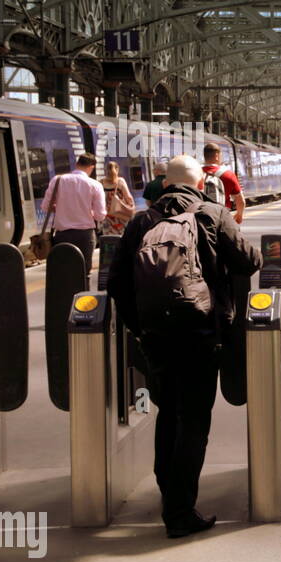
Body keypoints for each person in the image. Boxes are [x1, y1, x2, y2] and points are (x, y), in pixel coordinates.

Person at [107, 154, 262, 537]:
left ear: (163, 183)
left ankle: (169, 496)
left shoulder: (141, 222)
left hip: (157, 335)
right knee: (193, 419)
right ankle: (179, 511)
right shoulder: (211, 213)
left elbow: (117, 285)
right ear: (199, 184)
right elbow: (248, 262)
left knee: (168, 413)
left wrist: (139, 329)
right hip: (201, 331)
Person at [40, 153, 106, 285]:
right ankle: (82, 301)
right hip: (85, 235)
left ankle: (66, 301)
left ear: (77, 164)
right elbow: (100, 215)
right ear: (91, 167)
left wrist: (61, 209)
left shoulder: (57, 180)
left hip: (62, 235)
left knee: (65, 272)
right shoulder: (95, 185)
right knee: (84, 272)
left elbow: (45, 206)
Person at [201, 143, 246, 224]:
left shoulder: (195, 173)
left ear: (204, 156)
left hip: (200, 217)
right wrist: (239, 215)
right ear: (217, 156)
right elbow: (240, 200)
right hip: (222, 217)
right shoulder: (228, 174)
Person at [100, 160, 136, 236]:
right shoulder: (120, 181)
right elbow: (129, 198)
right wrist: (131, 209)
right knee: (122, 237)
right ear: (117, 169)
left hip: (107, 217)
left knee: (109, 240)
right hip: (120, 215)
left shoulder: (101, 182)